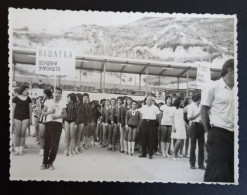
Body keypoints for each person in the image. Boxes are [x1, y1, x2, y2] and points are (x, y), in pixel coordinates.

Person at [201, 59, 235, 182]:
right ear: (230, 70)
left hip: (236, 135)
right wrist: (209, 131)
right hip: (219, 132)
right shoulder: (213, 87)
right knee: (216, 172)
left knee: (233, 173)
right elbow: (203, 110)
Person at [40, 87, 67, 170]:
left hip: (58, 124)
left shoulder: (63, 103)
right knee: (47, 144)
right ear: (53, 94)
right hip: (49, 123)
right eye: (56, 92)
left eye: (59, 93)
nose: (57, 94)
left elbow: (65, 115)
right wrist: (50, 112)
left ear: (61, 95)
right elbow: (43, 113)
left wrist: (57, 117)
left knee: (55, 145)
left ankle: (50, 163)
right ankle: (44, 163)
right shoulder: (48, 102)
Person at [12, 85, 32, 155]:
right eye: (26, 90)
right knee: (17, 133)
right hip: (17, 117)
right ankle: (16, 149)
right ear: (22, 90)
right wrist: (12, 120)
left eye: (27, 90)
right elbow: (13, 110)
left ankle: (21, 149)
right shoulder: (15, 99)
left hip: (25, 117)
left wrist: (30, 119)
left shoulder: (29, 98)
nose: (27, 91)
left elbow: (30, 109)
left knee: (23, 133)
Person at [188, 93, 205, 169]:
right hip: (194, 126)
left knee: (201, 146)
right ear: (199, 99)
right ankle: (192, 164)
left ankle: (201, 164)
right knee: (193, 146)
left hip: (201, 126)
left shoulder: (201, 106)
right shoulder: (190, 106)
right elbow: (189, 118)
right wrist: (199, 113)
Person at [38, 89, 52, 156]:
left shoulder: (52, 101)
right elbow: (40, 110)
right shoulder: (41, 101)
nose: (43, 95)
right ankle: (41, 149)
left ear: (46, 94)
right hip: (42, 119)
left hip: (49, 119)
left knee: (48, 135)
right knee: (41, 135)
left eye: (44, 93)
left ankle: (48, 149)